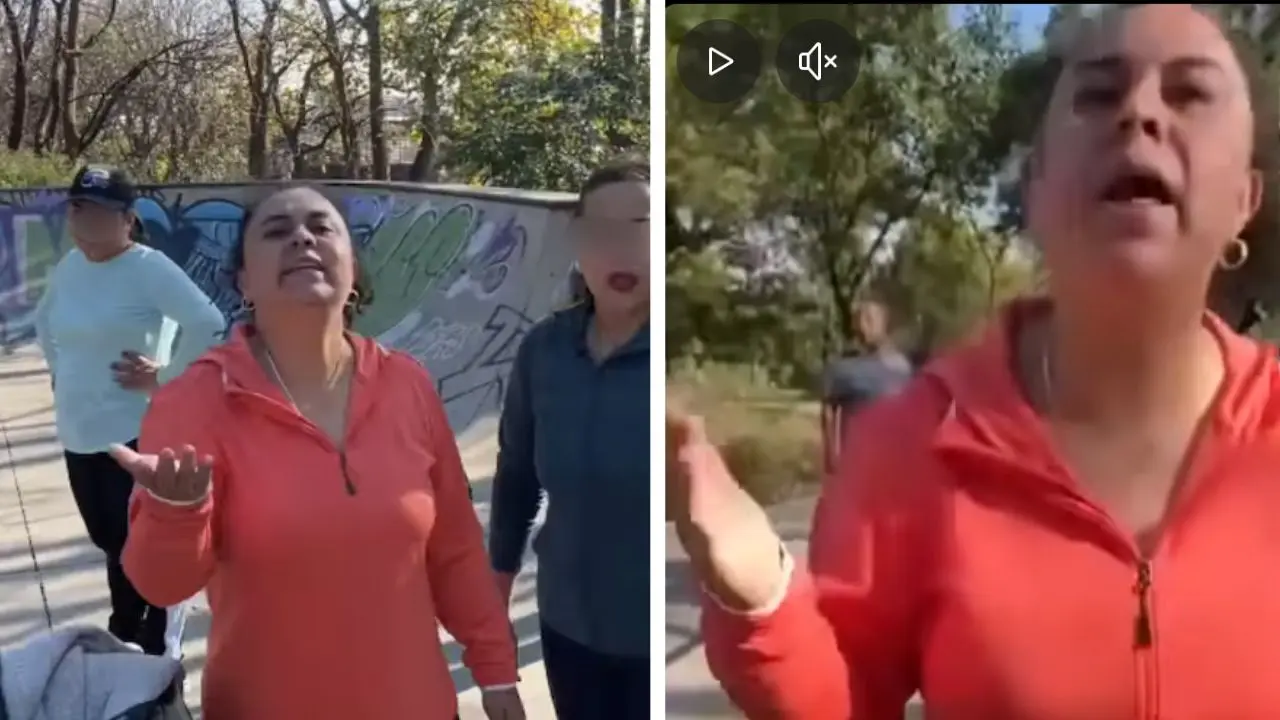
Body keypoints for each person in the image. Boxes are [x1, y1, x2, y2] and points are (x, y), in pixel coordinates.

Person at [669, 5, 1280, 718]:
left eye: (1190, 93)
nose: (1139, 112)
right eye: (1098, 93)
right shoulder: (910, 444)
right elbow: (847, 696)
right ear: (1038, 190)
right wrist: (760, 600)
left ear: (1245, 198)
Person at [109, 185, 524, 719]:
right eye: (277, 231)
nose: (302, 237)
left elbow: (456, 549)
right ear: (245, 282)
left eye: (321, 228)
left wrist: (495, 672)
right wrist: (175, 514)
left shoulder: (408, 385)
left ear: (352, 271)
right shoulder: (192, 400)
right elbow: (160, 585)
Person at [33, 165, 224, 658]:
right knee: (110, 543)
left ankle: (152, 639)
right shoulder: (71, 267)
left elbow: (207, 322)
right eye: (78, 208)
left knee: (140, 547)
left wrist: (164, 379)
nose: (86, 220)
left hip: (136, 432)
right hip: (79, 432)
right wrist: (60, 371)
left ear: (128, 220)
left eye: (100, 211)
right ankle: (130, 629)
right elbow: (43, 321)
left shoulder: (148, 268)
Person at [489, 160, 650, 719]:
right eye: (602, 231)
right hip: (569, 633)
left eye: (640, 226)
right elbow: (515, 484)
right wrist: (493, 616)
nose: (621, 248)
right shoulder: (545, 351)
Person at [819, 298, 912, 474]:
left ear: (883, 323)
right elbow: (828, 408)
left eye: (869, 319)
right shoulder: (844, 367)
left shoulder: (903, 366)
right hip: (857, 460)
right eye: (859, 320)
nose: (863, 325)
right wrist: (830, 453)